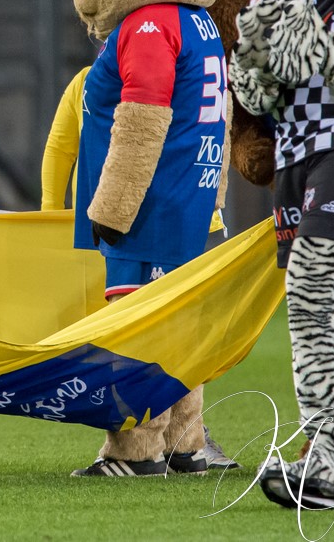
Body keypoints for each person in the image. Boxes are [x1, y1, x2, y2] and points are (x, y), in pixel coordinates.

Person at [40, 64, 237, 472]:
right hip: (195, 219)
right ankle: (186, 445)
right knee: (180, 335)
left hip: (136, 223)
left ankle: (139, 451)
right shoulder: (200, 70)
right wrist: (214, 202)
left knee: (137, 334)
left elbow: (61, 147)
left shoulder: (93, 79)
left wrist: (48, 212)